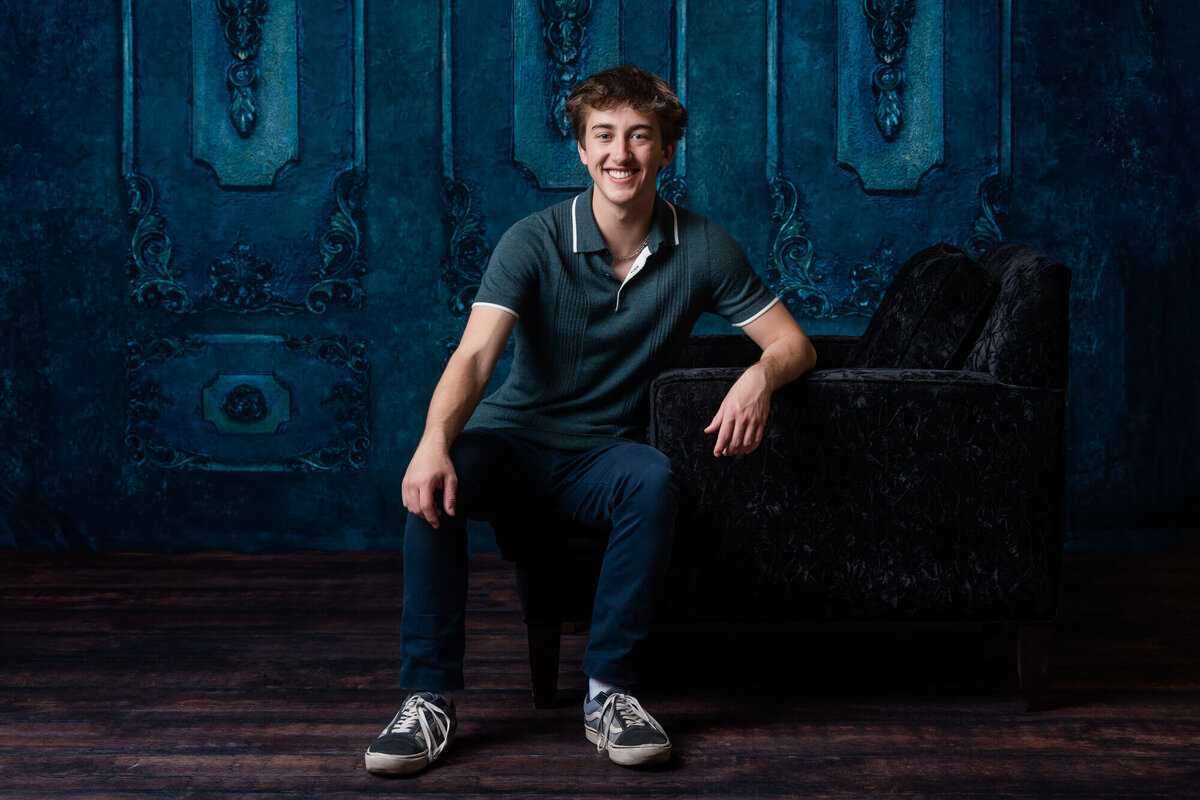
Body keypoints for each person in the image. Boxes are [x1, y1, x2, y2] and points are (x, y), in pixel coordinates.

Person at [365, 64, 816, 775]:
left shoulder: (703, 246)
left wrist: (759, 376)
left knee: (654, 478)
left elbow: (794, 344)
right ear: (580, 149)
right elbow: (477, 356)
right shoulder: (533, 240)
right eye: (603, 136)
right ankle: (429, 698)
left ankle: (609, 693)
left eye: (641, 137)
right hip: (512, 442)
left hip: (602, 455)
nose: (621, 154)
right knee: (434, 488)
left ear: (667, 151)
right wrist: (432, 443)